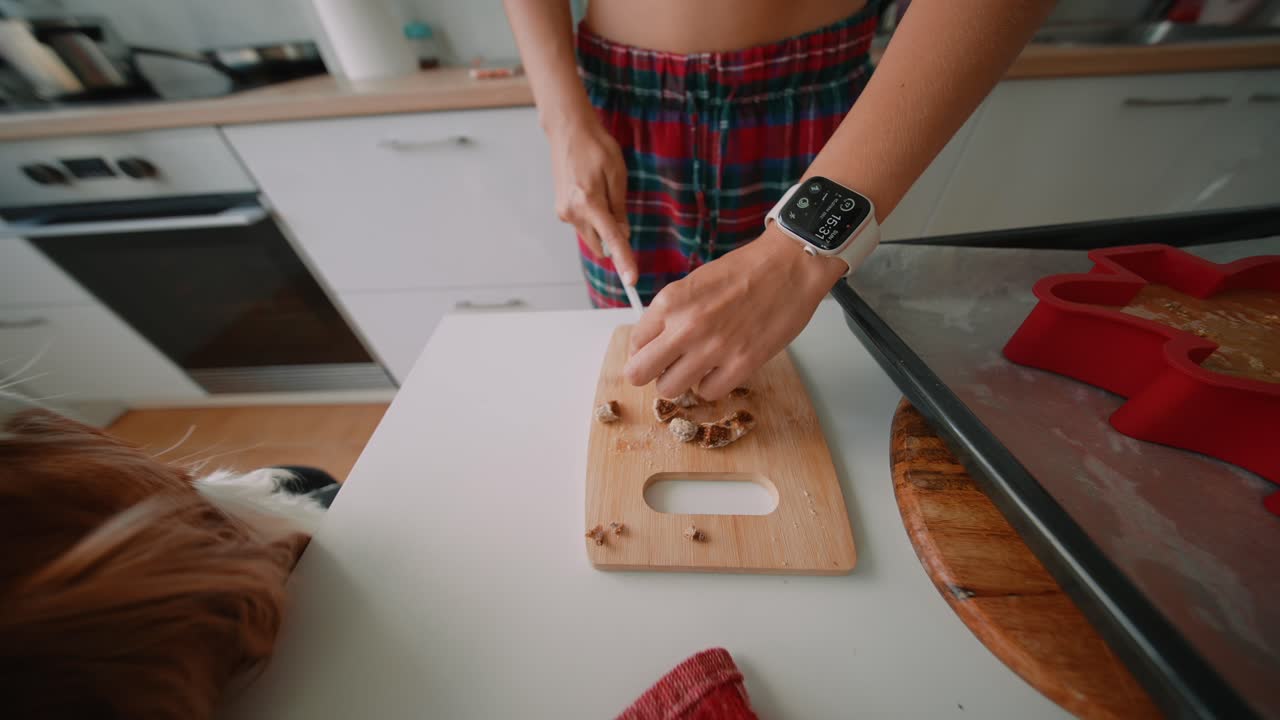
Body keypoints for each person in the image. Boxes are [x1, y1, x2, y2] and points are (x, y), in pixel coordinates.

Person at [504, 0, 1055, 400]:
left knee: (822, 388)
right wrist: (563, 122)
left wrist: (799, 250)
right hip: (621, 119)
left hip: (819, 116)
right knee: (641, 368)